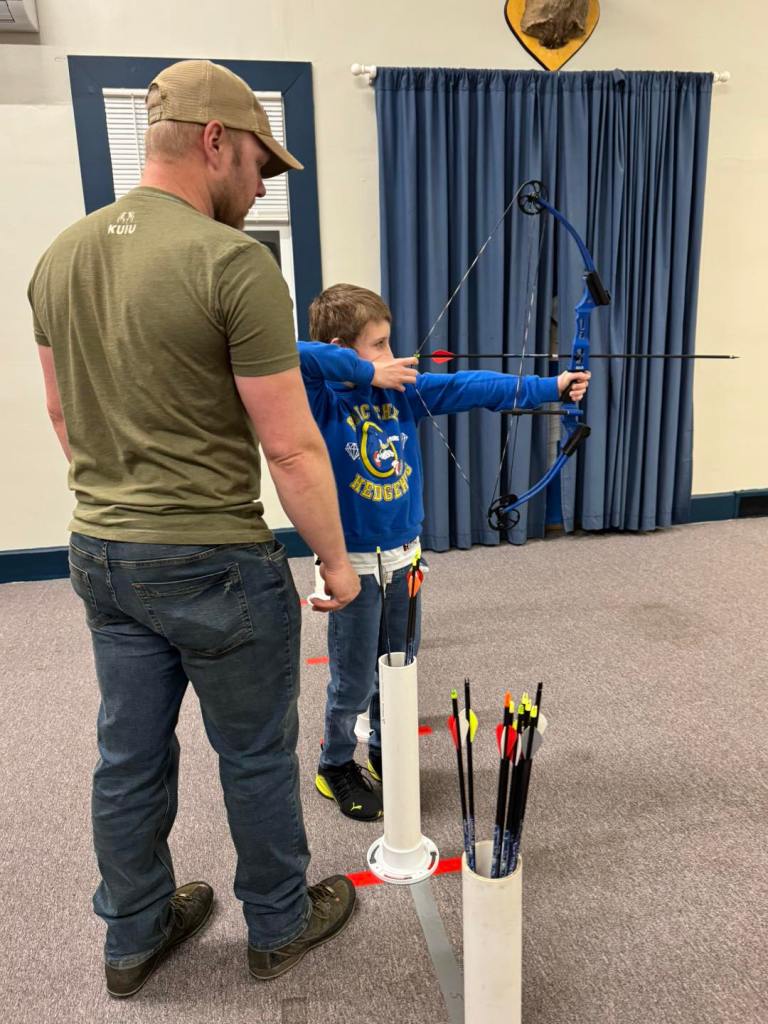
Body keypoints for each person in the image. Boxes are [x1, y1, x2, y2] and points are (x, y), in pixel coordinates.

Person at [28, 60, 361, 997]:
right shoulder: (233, 262)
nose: (261, 189)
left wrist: (125, 503)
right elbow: (291, 448)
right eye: (260, 165)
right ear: (214, 139)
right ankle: (279, 925)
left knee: (126, 755)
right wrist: (337, 565)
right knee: (253, 752)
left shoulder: (60, 256)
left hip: (101, 551)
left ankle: (132, 936)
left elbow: (61, 415)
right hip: (215, 558)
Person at [299, 284, 590, 821]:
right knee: (354, 678)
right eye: (379, 344)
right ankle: (335, 764)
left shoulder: (404, 393)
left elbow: (470, 386)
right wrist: (364, 372)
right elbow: (290, 354)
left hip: (405, 559)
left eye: (389, 344)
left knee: (400, 665)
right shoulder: (320, 397)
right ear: (342, 348)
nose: (392, 354)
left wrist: (551, 385)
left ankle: (387, 751)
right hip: (353, 566)